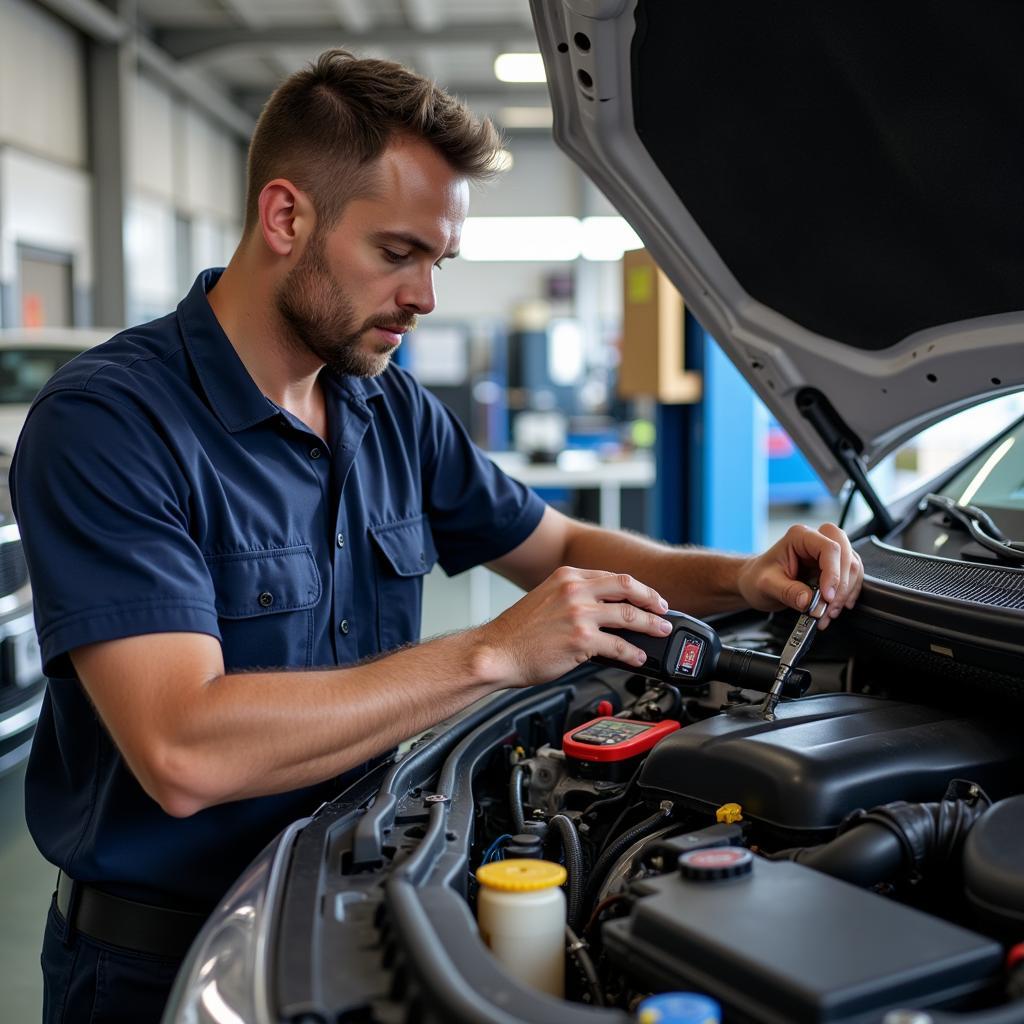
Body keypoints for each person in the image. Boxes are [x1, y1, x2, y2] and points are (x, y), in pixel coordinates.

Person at [10, 49, 863, 1023]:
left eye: (438, 262)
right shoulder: (113, 424)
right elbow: (182, 749)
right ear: (286, 217)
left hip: (364, 911)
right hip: (164, 967)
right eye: (397, 253)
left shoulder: (384, 408)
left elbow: (556, 547)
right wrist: (493, 650)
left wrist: (744, 574)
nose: (425, 298)